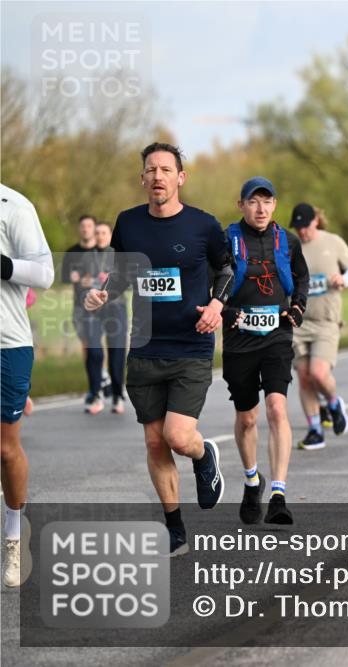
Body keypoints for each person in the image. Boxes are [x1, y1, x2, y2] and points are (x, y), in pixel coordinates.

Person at [84, 142, 231, 556]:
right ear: (142, 178)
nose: (158, 177)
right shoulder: (128, 223)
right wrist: (102, 296)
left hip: (191, 345)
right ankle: (175, 529)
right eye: (151, 170)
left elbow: (226, 269)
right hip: (145, 347)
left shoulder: (203, 225)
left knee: (178, 436)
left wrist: (218, 304)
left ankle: (203, 456)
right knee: (154, 443)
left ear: (180, 178)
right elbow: (121, 277)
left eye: (166, 169)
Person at [220, 178, 309, 525]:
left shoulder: (287, 240)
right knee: (247, 418)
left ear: (275, 205)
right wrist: (226, 311)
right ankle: (251, 479)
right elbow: (213, 281)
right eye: (253, 202)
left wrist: (298, 307)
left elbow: (301, 278)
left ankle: (278, 494)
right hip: (239, 340)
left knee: (276, 407)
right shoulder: (227, 240)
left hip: (277, 335)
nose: (260, 209)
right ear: (240, 205)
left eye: (266, 202)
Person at [1, 183, 55, 587]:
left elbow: (45, 273)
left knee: (5, 449)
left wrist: (3, 265)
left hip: (7, 343)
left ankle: (15, 535)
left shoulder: (14, 205)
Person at [288, 203, 348, 450]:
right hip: (298, 322)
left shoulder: (333, 242)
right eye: (298, 227)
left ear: (316, 221)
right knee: (304, 376)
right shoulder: (291, 246)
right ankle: (315, 429)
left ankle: (333, 403)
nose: (303, 232)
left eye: (306, 226)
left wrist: (344, 278)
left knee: (318, 372)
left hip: (326, 320)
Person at [62, 215, 101, 411]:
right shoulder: (72, 252)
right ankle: (98, 379)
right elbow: (64, 278)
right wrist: (72, 277)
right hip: (79, 306)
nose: (85, 229)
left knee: (96, 344)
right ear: (79, 229)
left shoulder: (101, 251)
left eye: (89, 226)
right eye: (82, 226)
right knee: (87, 345)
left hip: (101, 307)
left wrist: (93, 281)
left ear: (94, 229)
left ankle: (99, 384)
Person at [91, 220, 128, 413]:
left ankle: (117, 395)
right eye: (97, 233)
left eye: (103, 233)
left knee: (116, 353)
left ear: (110, 235)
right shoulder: (88, 256)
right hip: (94, 311)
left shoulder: (117, 255)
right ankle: (97, 393)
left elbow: (126, 279)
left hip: (116, 308)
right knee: (94, 352)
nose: (100, 236)